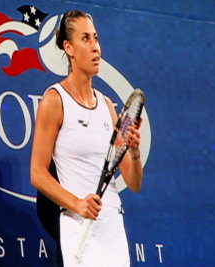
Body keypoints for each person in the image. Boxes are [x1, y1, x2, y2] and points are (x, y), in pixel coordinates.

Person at [30, 10, 144, 267]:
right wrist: (77, 204)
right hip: (77, 227)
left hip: (112, 226)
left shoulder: (107, 106)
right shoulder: (54, 100)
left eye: (96, 38)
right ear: (68, 48)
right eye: (86, 39)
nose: (95, 47)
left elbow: (133, 182)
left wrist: (134, 151)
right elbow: (37, 173)